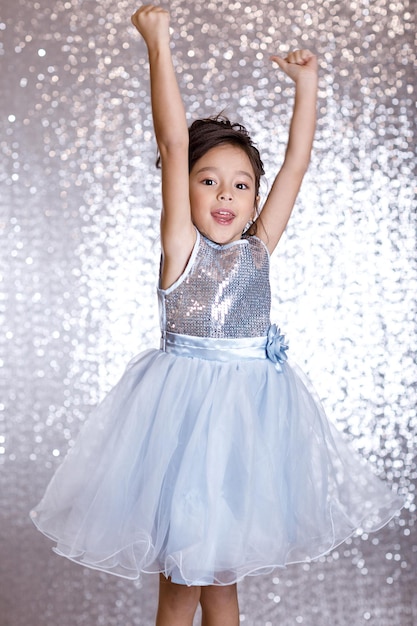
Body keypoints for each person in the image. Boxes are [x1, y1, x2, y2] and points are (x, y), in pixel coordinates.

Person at [31, 5, 403, 626]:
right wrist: (158, 43)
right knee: (180, 585)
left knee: (224, 583)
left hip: (247, 438)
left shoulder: (259, 247)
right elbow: (175, 142)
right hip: (179, 433)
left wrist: (307, 86)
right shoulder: (181, 247)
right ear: (185, 191)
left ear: (255, 196)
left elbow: (297, 164)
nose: (225, 194)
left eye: (240, 184)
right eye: (207, 182)